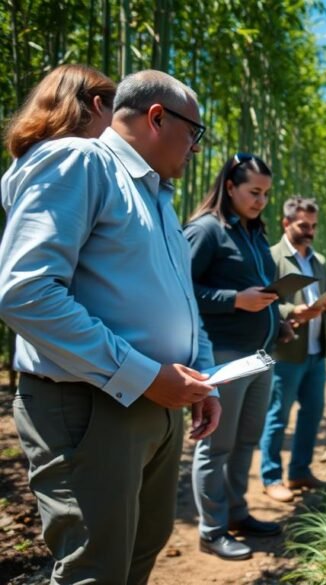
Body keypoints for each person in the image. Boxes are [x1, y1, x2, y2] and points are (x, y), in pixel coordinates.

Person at [0, 69, 220, 584]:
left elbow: (181, 300)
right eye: (194, 131)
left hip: (157, 403)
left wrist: (204, 376)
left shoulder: (157, 196)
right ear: (156, 117)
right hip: (90, 406)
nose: (195, 147)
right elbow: (26, 293)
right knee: (95, 568)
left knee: (140, 550)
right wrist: (142, 375)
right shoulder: (80, 162)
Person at [185, 153, 282, 560]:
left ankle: (238, 512)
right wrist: (234, 300)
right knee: (216, 446)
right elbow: (179, 289)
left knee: (245, 442)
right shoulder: (207, 232)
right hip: (223, 355)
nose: (260, 201)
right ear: (229, 186)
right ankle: (212, 529)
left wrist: (278, 314)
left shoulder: (256, 235)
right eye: (253, 192)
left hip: (259, 357)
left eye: (265, 194)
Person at [259, 196, 326, 503]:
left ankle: (299, 471)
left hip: (315, 353)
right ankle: (271, 477)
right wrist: (292, 312)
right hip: (286, 352)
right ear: (286, 223)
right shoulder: (271, 258)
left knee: (312, 414)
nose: (310, 231)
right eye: (303, 225)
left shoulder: (319, 262)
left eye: (313, 225)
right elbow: (263, 303)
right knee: (277, 415)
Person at [4, 64, 115, 157]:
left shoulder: (25, 159)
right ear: (98, 105)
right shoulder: (79, 153)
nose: (113, 125)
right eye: (114, 112)